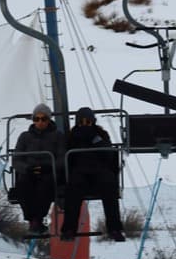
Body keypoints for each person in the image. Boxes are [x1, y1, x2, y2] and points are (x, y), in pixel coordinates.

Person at [62, 106, 124, 242]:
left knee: (109, 187)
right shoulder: (71, 137)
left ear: (93, 122)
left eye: (88, 122)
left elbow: (108, 153)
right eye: (81, 122)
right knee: (73, 191)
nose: (85, 125)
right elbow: (67, 157)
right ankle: (69, 229)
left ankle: (115, 228)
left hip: (99, 171)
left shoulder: (101, 135)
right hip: (80, 172)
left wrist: (95, 140)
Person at [12, 103, 65, 236]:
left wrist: (50, 167)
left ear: (49, 119)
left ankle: (37, 219)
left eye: (43, 119)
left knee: (45, 185)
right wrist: (26, 168)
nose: (40, 122)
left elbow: (62, 158)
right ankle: (33, 220)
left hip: (49, 172)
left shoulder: (57, 136)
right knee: (23, 185)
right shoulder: (25, 137)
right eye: (36, 119)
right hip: (30, 171)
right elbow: (16, 159)